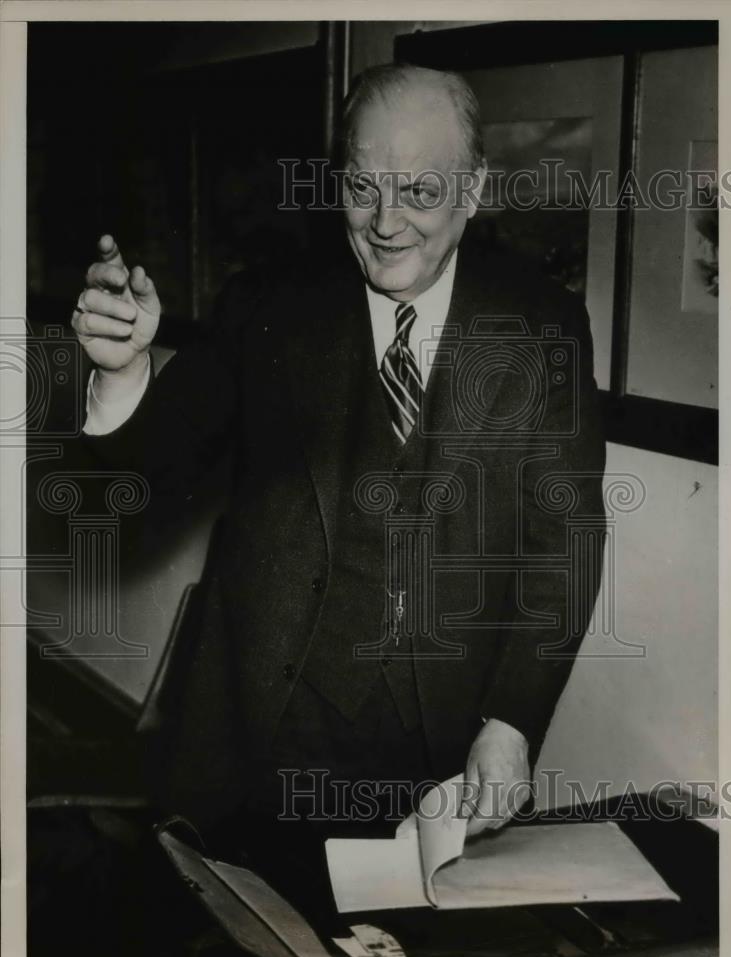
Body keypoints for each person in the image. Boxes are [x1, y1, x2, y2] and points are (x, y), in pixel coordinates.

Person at [71, 64, 606, 856]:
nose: (386, 223)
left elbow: (563, 542)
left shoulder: (543, 323)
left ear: (474, 187)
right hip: (261, 725)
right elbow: (139, 479)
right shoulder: (268, 305)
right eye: (363, 188)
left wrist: (512, 721)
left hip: (441, 742)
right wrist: (120, 376)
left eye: (420, 193)